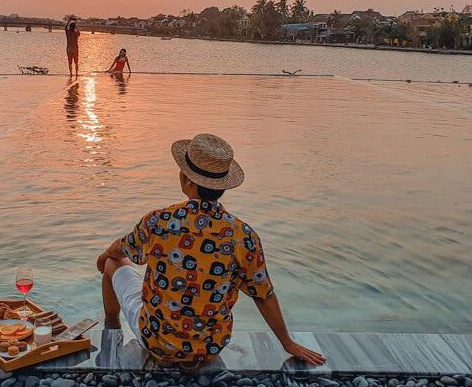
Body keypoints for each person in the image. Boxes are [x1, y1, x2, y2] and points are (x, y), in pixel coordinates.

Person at [96, 133, 327, 367]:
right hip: (210, 346)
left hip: (156, 340)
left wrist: (105, 257)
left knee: (113, 264)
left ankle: (111, 327)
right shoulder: (243, 235)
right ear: (222, 187)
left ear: (185, 179)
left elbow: (121, 249)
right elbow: (263, 294)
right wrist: (287, 342)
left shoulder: (160, 221)